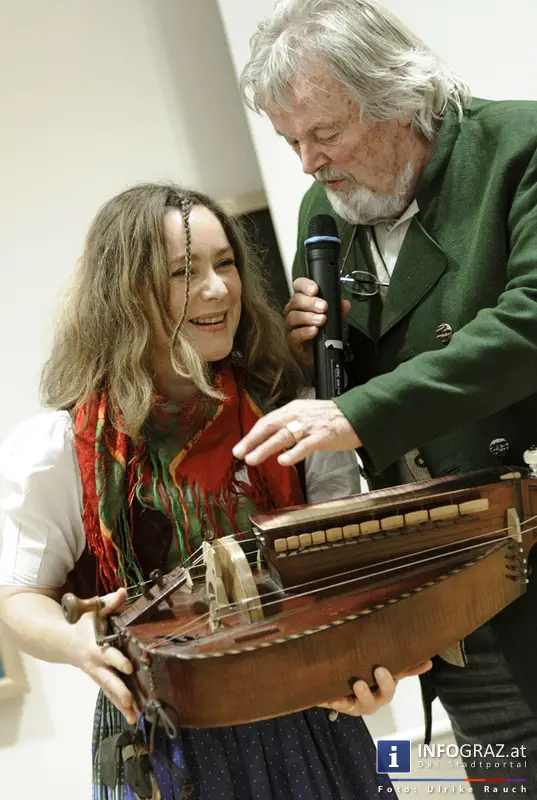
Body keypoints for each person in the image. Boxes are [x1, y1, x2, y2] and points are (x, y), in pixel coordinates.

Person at [0, 182, 429, 800]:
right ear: (125, 292)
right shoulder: (65, 446)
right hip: (165, 738)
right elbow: (19, 597)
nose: (218, 288)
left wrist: (360, 666)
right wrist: (78, 644)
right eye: (184, 272)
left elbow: (335, 574)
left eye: (225, 263)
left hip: (309, 716)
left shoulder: (291, 411)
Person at [235, 0, 537, 795]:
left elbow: (529, 322)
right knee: (505, 778)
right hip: (454, 597)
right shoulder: (322, 210)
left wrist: (352, 413)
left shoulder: (520, 147)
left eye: (324, 133)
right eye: (289, 141)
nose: (308, 163)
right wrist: (315, 357)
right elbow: (363, 388)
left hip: (529, 541)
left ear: (398, 98)